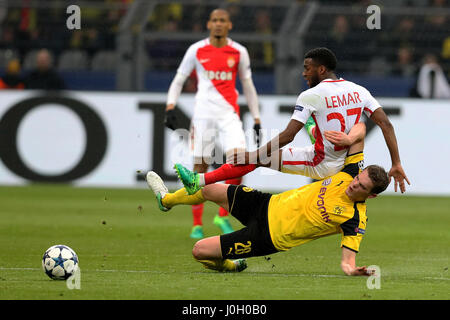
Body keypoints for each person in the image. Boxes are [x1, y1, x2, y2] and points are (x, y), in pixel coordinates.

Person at [146, 126, 390, 275]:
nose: (354, 184)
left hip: (267, 236)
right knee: (209, 189)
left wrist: (352, 270)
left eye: (361, 186)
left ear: (371, 195)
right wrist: (349, 141)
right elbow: (360, 130)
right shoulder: (348, 173)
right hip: (266, 204)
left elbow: (348, 260)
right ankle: (166, 200)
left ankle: (230, 265)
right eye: (358, 178)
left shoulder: (355, 218)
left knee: (199, 251)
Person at [174, 47, 410, 196]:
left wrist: (254, 155)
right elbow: (386, 124)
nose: (304, 73)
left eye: (307, 68)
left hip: (321, 161)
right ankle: (197, 182)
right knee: (312, 126)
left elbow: (288, 136)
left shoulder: (311, 95)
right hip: (345, 161)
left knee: (260, 158)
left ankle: (199, 180)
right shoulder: (359, 90)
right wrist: (396, 162)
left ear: (321, 69)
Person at [164, 8, 261, 239]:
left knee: (239, 163)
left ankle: (222, 215)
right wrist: (169, 106)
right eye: (215, 20)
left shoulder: (239, 51)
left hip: (229, 115)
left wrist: (256, 117)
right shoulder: (196, 50)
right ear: (208, 24)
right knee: (199, 169)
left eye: (223, 21)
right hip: (202, 116)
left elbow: (248, 85)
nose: (218, 24)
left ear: (230, 25)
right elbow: (179, 79)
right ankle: (197, 224)